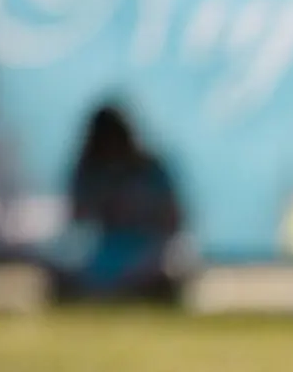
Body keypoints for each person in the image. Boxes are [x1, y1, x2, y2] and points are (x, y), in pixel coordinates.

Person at [49, 103, 189, 304]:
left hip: (149, 248)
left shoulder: (150, 170)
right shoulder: (91, 171)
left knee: (161, 272)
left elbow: (173, 220)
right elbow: (77, 218)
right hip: (105, 251)